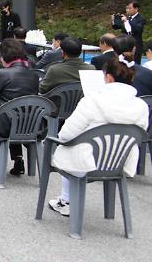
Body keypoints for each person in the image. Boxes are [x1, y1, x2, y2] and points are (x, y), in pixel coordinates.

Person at [47, 59, 148, 217]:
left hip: (86, 161)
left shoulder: (91, 101)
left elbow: (66, 134)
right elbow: (140, 133)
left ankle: (66, 200)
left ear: (108, 78)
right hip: (119, 161)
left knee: (66, 145)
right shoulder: (141, 105)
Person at [0, 39, 40, 177]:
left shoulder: (2, 74)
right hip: (29, 124)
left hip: (4, 126)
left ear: (3, 56)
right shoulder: (34, 75)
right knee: (15, 112)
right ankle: (18, 158)